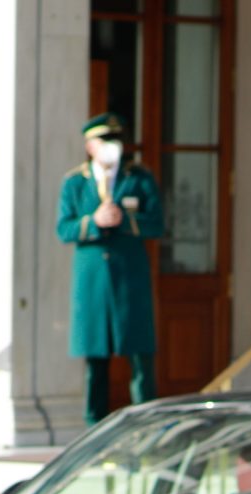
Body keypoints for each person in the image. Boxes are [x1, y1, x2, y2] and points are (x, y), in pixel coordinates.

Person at [56, 111, 163, 425]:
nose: (110, 146)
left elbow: (156, 223)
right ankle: (94, 429)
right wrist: (93, 222)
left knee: (141, 359)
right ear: (89, 146)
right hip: (93, 284)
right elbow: (63, 228)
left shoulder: (139, 178)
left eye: (114, 140)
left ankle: (147, 427)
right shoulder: (75, 182)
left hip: (130, 280)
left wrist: (127, 221)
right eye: (103, 141)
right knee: (96, 363)